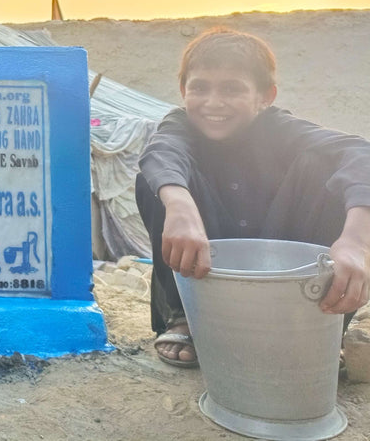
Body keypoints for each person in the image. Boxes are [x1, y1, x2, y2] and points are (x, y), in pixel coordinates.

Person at [135, 27, 370, 368]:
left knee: (328, 166)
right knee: (158, 179)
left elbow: (360, 154)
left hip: (281, 272)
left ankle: (319, 327)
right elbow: (161, 152)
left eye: (232, 89)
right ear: (183, 91)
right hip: (210, 269)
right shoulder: (179, 126)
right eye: (200, 87)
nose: (213, 102)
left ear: (266, 97)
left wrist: (357, 240)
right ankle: (186, 317)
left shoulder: (281, 129)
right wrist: (180, 204)